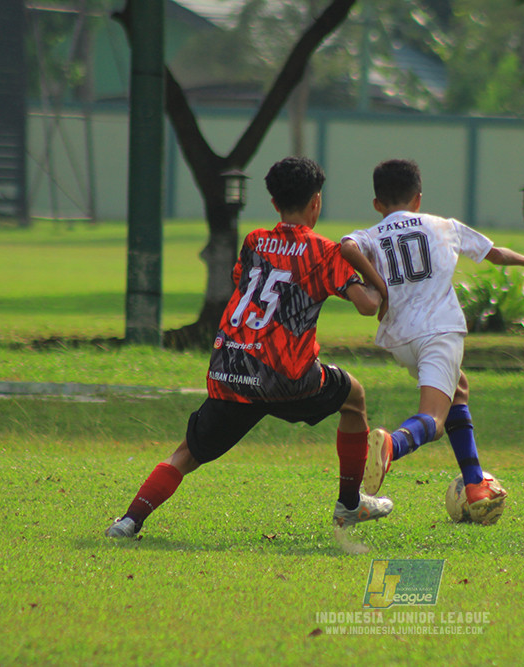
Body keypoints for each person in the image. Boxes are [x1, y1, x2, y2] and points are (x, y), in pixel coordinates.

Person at [105, 156, 392, 538]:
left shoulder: (255, 241)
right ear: (316, 203)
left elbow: (244, 282)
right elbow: (368, 305)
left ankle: (128, 521)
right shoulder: (324, 253)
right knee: (354, 397)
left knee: (186, 453)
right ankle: (349, 505)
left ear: (274, 203)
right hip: (287, 378)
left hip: (231, 369)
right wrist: (371, 273)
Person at [340, 158, 524, 523]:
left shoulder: (370, 235)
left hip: (399, 339)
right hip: (439, 332)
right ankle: (391, 444)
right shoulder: (444, 226)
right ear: (418, 198)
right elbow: (495, 254)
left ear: (378, 204)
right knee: (433, 421)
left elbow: (345, 247)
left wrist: (379, 286)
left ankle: (474, 483)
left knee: (458, 387)